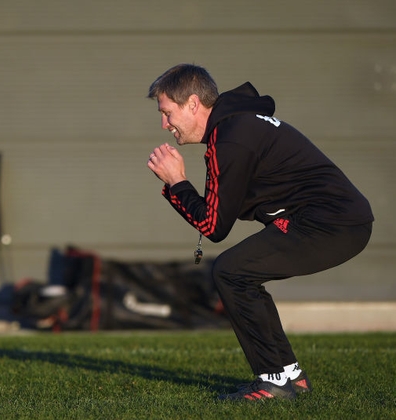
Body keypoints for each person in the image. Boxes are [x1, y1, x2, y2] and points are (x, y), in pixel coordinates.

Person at [146, 64, 373, 401]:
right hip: (340, 220)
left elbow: (213, 227)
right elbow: (219, 211)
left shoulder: (231, 138)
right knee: (241, 272)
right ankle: (290, 376)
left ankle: (273, 381)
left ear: (193, 103)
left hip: (330, 222)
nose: (164, 124)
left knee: (231, 271)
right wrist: (179, 187)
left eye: (167, 113)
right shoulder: (236, 128)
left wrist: (177, 182)